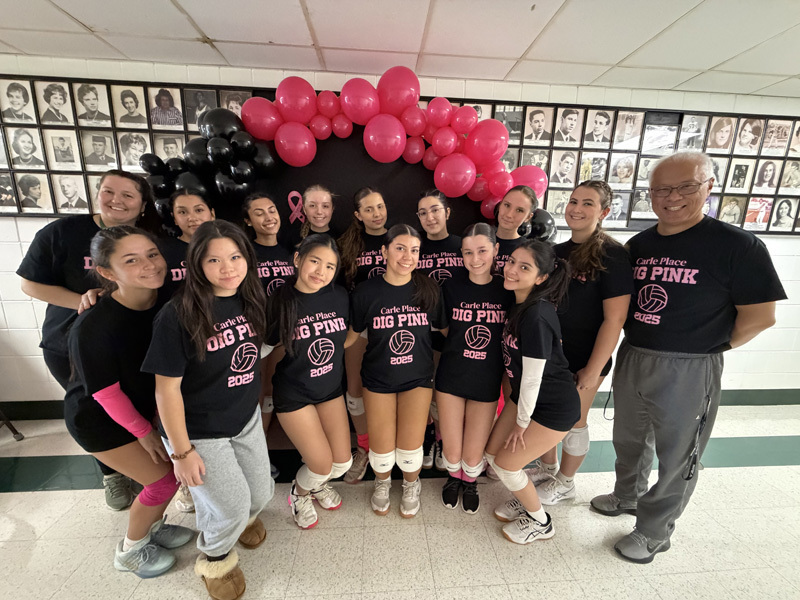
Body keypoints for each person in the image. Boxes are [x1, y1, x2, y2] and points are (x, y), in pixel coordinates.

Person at [590, 151, 785, 564]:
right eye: (661, 189)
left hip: (691, 365)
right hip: (635, 355)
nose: (672, 197)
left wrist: (711, 345)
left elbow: (761, 316)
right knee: (628, 438)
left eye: (685, 187)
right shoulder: (638, 245)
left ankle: (654, 531)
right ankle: (627, 495)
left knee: (678, 453)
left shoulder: (738, 246)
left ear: (708, 186)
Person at [143, 220, 273, 600]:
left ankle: (234, 521)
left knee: (261, 494)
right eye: (214, 260)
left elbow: (252, 356)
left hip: (243, 419)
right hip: (198, 431)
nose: (228, 267)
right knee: (230, 508)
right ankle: (215, 557)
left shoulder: (251, 298)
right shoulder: (178, 314)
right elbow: (165, 391)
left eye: (235, 256)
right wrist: (182, 453)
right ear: (197, 264)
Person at [17, 170, 161, 510]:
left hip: (128, 342)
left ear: (142, 205)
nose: (117, 200)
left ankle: (147, 476)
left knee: (132, 408)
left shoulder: (146, 241)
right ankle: (112, 474)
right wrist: (84, 301)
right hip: (68, 340)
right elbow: (28, 283)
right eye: (109, 191)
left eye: (128, 195)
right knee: (99, 409)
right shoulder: (63, 231)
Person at [65, 226, 194, 578]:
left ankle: (154, 527)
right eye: (132, 260)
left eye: (152, 254)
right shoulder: (93, 326)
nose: (150, 265)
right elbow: (105, 393)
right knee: (163, 480)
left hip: (142, 409)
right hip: (100, 420)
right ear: (107, 272)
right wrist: (144, 432)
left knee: (171, 475)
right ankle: (130, 550)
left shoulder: (167, 296)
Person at [530, 181, 631, 505]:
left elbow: (614, 319)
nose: (576, 208)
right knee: (546, 414)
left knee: (575, 420)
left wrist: (593, 369)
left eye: (587, 203)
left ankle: (567, 481)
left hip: (587, 357)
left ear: (603, 212)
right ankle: (548, 468)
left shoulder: (612, 255)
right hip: (553, 354)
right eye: (573, 201)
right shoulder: (557, 253)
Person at [485, 239, 580, 544]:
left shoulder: (537, 315)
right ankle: (526, 493)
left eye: (524, 267)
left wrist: (521, 423)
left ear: (541, 278)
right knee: (491, 455)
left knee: (505, 464)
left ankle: (541, 521)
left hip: (552, 407)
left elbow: (533, 379)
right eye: (511, 261)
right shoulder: (520, 304)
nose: (511, 270)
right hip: (526, 399)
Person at [347, 224, 446, 517]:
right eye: (400, 248)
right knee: (381, 445)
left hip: (417, 377)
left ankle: (411, 485)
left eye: (414, 250)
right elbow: (351, 338)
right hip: (378, 378)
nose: (407, 256)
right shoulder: (366, 292)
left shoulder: (428, 289)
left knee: (410, 444)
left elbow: (447, 331)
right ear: (384, 251)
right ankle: (382, 482)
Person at [265, 235, 354, 528]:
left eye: (330, 266)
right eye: (315, 261)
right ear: (298, 259)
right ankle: (300, 492)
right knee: (320, 464)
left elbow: (347, 338)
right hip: (294, 394)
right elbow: (263, 349)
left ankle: (315, 483)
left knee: (342, 463)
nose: (321, 271)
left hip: (329, 391)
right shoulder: (280, 300)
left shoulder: (340, 296)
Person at [435, 223, 514, 512]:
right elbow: (445, 330)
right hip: (452, 377)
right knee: (452, 451)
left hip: (486, 380)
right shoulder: (451, 286)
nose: (475, 258)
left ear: (495, 250)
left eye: (482, 250)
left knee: (472, 454)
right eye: (468, 252)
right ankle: (453, 479)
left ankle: (470, 482)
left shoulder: (506, 290)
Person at [336, 187, 388, 483]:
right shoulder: (347, 244)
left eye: (379, 206)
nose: (376, 213)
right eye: (368, 209)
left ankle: (388, 446)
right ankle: (364, 447)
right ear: (358, 215)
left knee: (388, 387)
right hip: (359, 325)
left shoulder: (398, 237)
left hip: (394, 324)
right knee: (355, 388)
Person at [241, 193, 294, 474]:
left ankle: (259, 452)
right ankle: (250, 456)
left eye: (272, 209)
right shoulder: (245, 254)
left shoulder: (288, 252)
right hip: (254, 336)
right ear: (249, 221)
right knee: (254, 392)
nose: (268, 216)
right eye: (259, 213)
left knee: (271, 389)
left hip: (283, 332)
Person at [415, 190, 467, 471]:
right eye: (423, 213)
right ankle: (428, 438)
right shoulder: (415, 248)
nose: (430, 217)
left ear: (447, 213)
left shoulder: (463, 246)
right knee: (427, 390)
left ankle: (444, 439)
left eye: (435, 210)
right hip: (424, 334)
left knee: (448, 392)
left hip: (459, 332)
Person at [159, 189, 216, 298]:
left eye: (199, 210)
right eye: (182, 212)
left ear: (212, 214)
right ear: (174, 218)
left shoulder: (227, 246)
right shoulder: (163, 251)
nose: (192, 218)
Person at [495, 185, 536, 271]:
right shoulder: (480, 241)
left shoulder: (529, 250)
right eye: (507, 205)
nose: (509, 214)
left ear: (528, 217)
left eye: (519, 210)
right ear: (500, 205)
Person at [285, 184, 338, 248]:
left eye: (325, 206)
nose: (319, 212)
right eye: (312, 206)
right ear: (304, 209)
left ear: (332, 209)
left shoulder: (341, 240)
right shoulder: (293, 239)